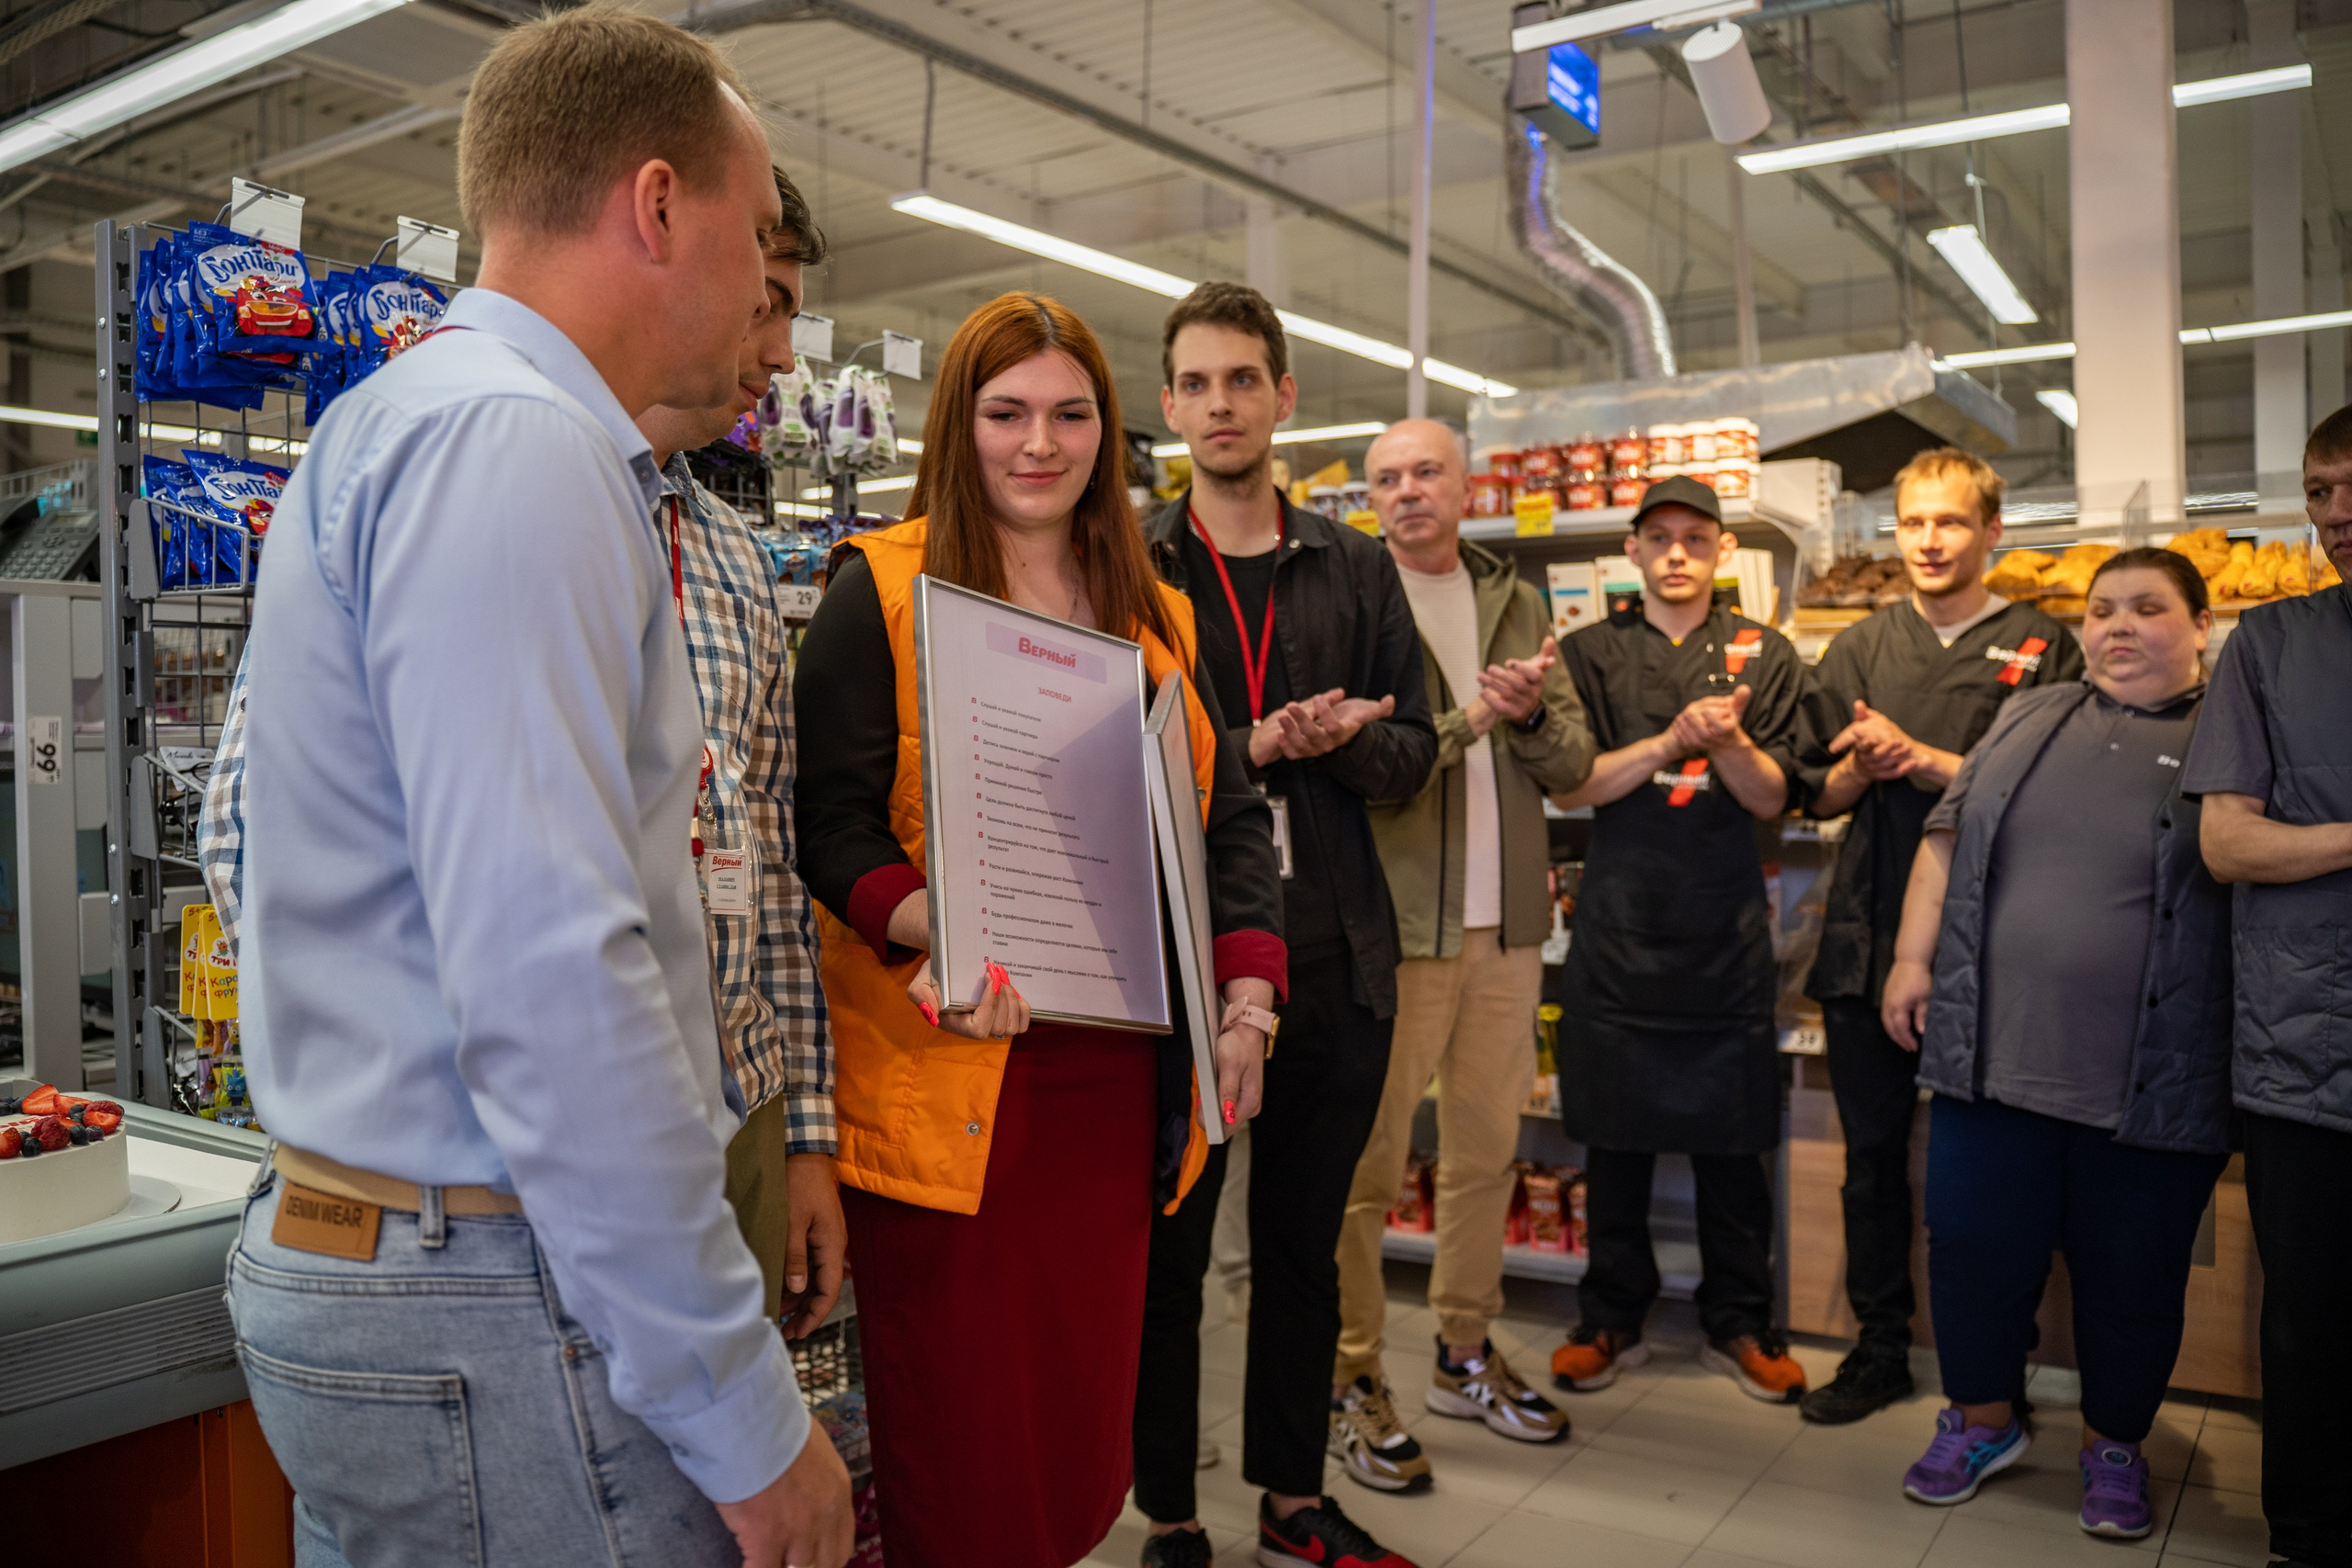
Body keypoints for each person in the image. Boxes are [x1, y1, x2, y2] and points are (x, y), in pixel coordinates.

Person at [221, 14, 851, 1568]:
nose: (765, 300)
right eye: (753, 234)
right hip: (495, 1292)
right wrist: (744, 1413)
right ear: (659, 206)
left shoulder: (415, 423)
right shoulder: (515, 445)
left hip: (411, 1261)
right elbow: (552, 974)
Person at [792, 290, 1285, 1568]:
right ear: (959, 425)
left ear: (1107, 431)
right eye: (1006, 412)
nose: (1039, 443)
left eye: (1070, 415)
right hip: (953, 1084)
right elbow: (831, 827)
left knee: (1070, 1444)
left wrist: (1247, 999)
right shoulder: (878, 589)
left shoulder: (1158, 617)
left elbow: (1226, 824)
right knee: (961, 1451)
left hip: (1108, 1097)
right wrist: (938, 929)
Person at [1132, 281, 1435, 1568]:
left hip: (1336, 958)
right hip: (1179, 962)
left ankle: (1291, 1500)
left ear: (1283, 396)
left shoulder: (1354, 565)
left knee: (1305, 1249)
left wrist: (1336, 742)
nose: (1221, 405)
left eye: (1243, 380)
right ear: (1169, 405)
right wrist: (1249, 744)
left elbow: (1415, 750)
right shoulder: (1134, 564)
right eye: (1197, 383)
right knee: (1170, 1254)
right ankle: (1169, 1512)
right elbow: (1103, 758)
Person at [1879, 548, 2231, 1538]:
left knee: (2133, 1274)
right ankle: (1981, 1421)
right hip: (1993, 1058)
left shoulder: (2230, 731)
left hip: (2151, 1077)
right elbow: (1945, 837)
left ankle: (2113, 1446)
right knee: (1972, 1251)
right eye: (2101, 609)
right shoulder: (2031, 713)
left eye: (2147, 608)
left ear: (2200, 626)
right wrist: (1910, 960)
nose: (2117, 626)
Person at [1324, 416, 1595, 1487]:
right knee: (1366, 1169)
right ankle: (1350, 1374)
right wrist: (1474, 720)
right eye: (1386, 477)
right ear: (1369, 499)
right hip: (1397, 930)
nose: (1406, 492)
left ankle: (1462, 1353)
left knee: (1485, 1156)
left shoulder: (1514, 599)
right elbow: (1358, 763)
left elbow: (1572, 761)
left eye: (1425, 471)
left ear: (1466, 485)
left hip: (1509, 928)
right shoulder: (1352, 602)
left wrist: (1525, 719)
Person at [1791, 446, 2085, 1426]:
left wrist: (1920, 756)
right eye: (1912, 522)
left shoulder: (2043, 646)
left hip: (1999, 945)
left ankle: (1998, 1371)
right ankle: (1879, 1348)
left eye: (1949, 521)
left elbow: (2052, 797)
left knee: (2003, 1171)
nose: (1927, 540)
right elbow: (1818, 793)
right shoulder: (1858, 648)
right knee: (1871, 1163)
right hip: (1868, 932)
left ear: (1992, 530)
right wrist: (1861, 768)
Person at [1545, 476, 1811, 1404]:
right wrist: (1668, 742)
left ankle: (1739, 1322)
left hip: (1723, 934)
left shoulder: (1766, 653)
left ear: (1723, 550)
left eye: (1695, 537)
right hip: (1618, 930)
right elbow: (1572, 786)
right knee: (1613, 1141)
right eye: (1657, 536)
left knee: (1733, 1146)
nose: (1676, 552)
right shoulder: (1588, 652)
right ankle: (1609, 1317)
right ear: (1631, 550)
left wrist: (1727, 743)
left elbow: (1775, 796)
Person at [2185, 403, 2352, 1568]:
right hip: (2307, 1052)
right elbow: (2226, 844)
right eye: (2319, 491)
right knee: (2311, 1319)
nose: (2337, 513)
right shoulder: (2269, 645)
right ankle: (2309, 1534)